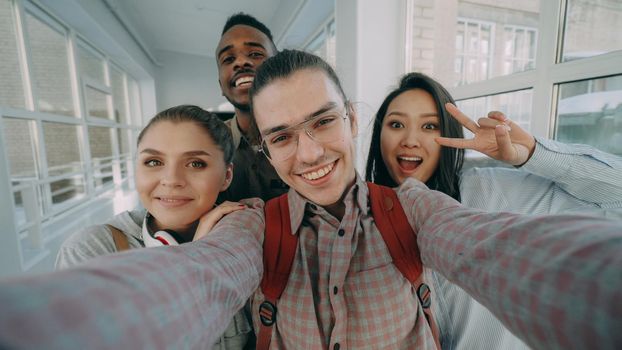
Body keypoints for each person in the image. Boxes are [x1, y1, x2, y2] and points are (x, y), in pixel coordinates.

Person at [0, 51, 621, 350]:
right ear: (265, 154)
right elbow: (198, 280)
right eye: (281, 136)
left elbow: (494, 250)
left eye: (323, 122)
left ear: (352, 119)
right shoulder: (248, 227)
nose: (308, 152)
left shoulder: (414, 207)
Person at [365, 72, 622, 349]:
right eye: (396, 124)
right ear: (380, 134)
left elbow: (613, 197)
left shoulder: (494, 191)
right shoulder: (356, 224)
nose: (410, 140)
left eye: (429, 126)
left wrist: (534, 154)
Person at [56, 105, 252, 349]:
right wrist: (193, 258)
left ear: (227, 177)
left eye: (195, 164)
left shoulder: (243, 241)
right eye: (154, 161)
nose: (171, 180)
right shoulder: (92, 251)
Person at [215, 13, 288, 202]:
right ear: (220, 85)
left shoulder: (308, 137)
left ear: (278, 67)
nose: (240, 63)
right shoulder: (208, 143)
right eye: (228, 59)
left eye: (255, 54)